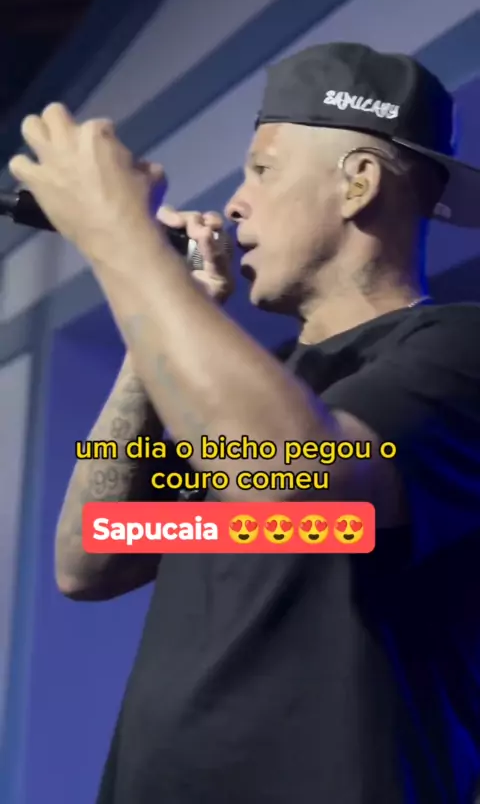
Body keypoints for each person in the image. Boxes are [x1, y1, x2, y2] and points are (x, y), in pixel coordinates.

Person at [9, 42, 480, 803]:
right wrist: (164, 319)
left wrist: (124, 242)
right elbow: (90, 558)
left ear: (357, 183)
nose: (233, 203)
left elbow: (290, 480)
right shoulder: (247, 398)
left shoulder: (459, 347)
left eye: (262, 170)